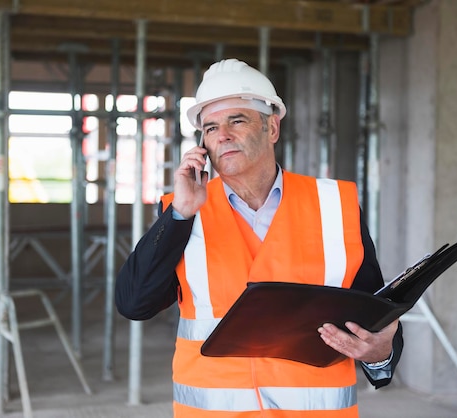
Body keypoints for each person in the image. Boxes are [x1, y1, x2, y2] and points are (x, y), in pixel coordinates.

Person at [115, 58, 403, 417]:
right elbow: (134, 303)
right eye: (210, 128)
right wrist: (180, 215)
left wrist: (380, 355)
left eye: (237, 120)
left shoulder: (335, 206)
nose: (222, 136)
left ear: (272, 129)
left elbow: (375, 311)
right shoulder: (183, 212)